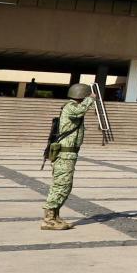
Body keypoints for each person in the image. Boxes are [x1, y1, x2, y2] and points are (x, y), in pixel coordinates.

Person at [40, 84, 94, 230]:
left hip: (68, 154)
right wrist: (89, 100)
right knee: (62, 185)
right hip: (64, 154)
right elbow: (79, 111)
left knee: (64, 185)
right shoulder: (70, 106)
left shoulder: (72, 106)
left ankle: (55, 216)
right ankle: (48, 219)